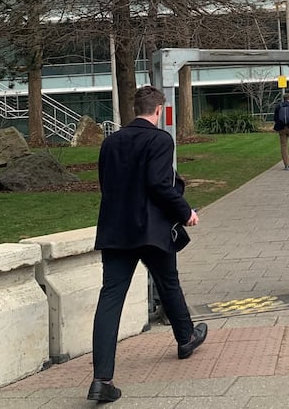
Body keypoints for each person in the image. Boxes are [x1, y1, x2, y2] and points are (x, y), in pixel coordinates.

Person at [88, 86, 207, 403]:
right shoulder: (160, 140)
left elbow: (106, 184)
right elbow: (159, 183)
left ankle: (101, 379)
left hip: (116, 231)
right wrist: (185, 213)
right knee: (169, 282)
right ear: (159, 110)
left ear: (135, 108)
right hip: (151, 232)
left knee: (110, 299)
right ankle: (185, 338)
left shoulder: (110, 142)